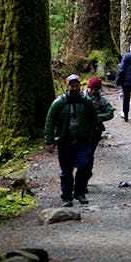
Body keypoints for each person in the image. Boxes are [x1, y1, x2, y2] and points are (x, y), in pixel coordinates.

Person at [43, 74, 101, 207]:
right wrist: (49, 140)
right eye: (71, 85)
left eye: (76, 85)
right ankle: (67, 197)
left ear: (80, 86)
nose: (74, 88)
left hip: (83, 141)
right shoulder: (59, 103)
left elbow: (94, 119)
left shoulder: (86, 102)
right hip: (64, 141)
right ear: (67, 86)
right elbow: (50, 122)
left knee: (84, 166)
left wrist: (91, 134)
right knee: (66, 171)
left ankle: (79, 192)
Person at [77, 76, 115, 198]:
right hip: (79, 131)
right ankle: (79, 180)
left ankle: (84, 182)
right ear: (88, 87)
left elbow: (110, 113)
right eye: (92, 89)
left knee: (88, 155)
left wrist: (97, 117)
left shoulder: (102, 100)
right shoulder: (80, 96)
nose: (93, 91)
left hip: (94, 132)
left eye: (96, 89)